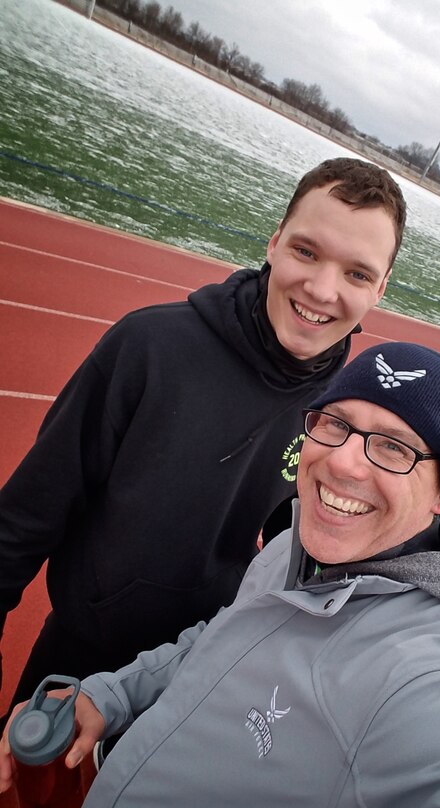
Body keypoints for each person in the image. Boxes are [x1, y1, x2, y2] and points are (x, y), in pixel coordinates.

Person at [0, 342, 440, 808]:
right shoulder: (298, 545)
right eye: (336, 424)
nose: (344, 463)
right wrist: (114, 693)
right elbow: (225, 638)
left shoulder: (426, 673)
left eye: (394, 446)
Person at [0, 158, 407, 719]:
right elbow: (19, 525)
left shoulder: (341, 413)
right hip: (78, 661)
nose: (321, 289)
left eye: (357, 274)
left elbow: (304, 551)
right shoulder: (149, 347)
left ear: (380, 289)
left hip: (202, 673)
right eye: (306, 252)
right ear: (274, 242)